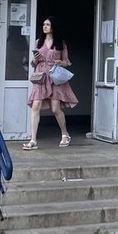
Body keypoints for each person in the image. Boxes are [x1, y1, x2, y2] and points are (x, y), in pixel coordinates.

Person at [24, 17, 78, 150]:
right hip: (41, 76)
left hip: (54, 76)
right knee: (35, 105)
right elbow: (33, 63)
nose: (45, 27)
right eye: (44, 24)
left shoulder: (60, 43)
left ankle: (65, 134)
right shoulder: (38, 42)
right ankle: (33, 140)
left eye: (48, 24)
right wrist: (36, 59)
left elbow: (66, 62)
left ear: (53, 27)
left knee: (55, 108)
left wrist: (59, 62)